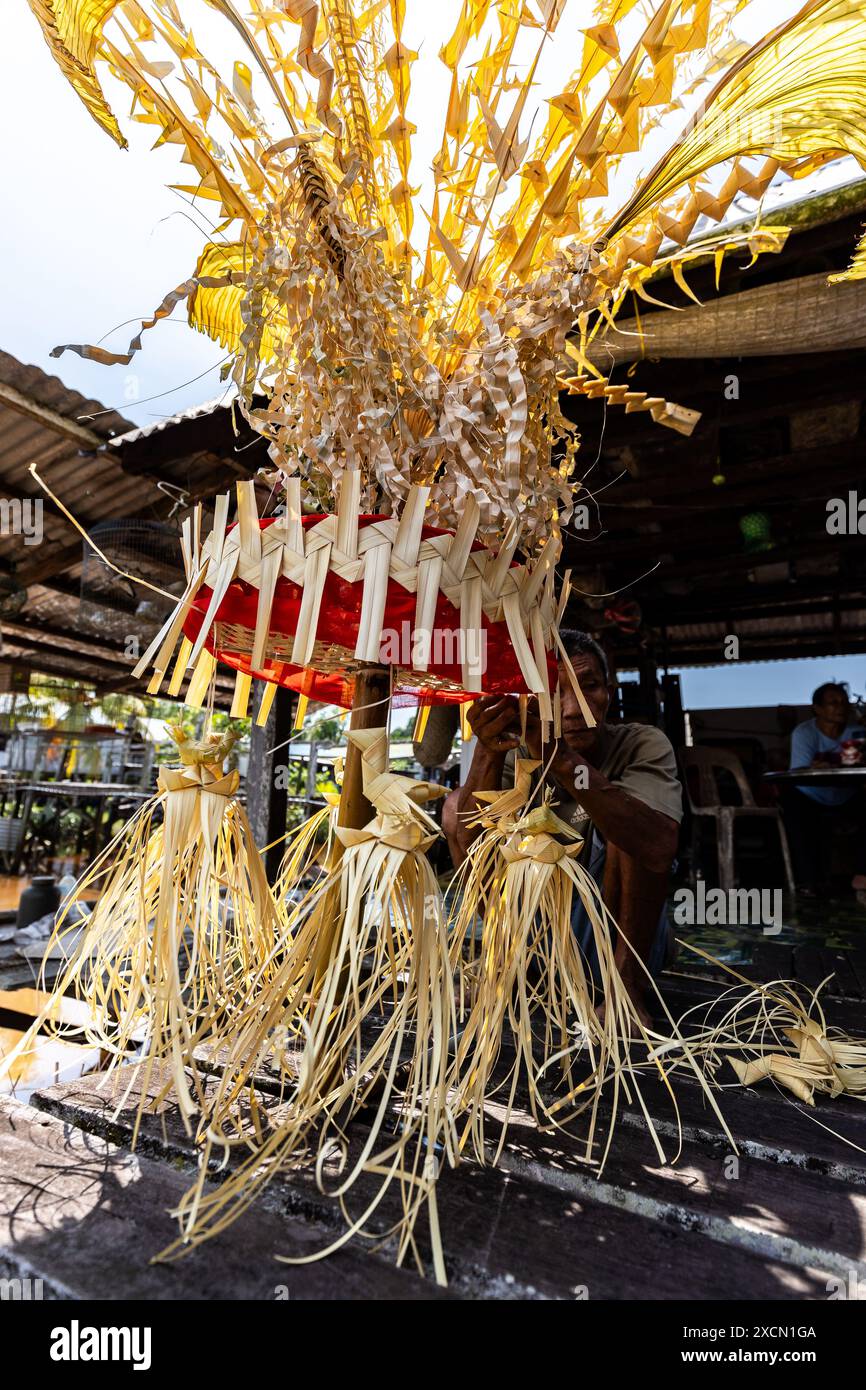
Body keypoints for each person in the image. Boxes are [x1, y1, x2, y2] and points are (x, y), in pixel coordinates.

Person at [442, 631, 683, 1025]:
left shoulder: (642, 743)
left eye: (590, 687)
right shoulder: (517, 753)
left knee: (628, 820)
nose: (575, 709)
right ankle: (503, 968)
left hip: (620, 941)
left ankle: (625, 990)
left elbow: (656, 845)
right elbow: (467, 834)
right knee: (456, 808)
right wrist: (487, 748)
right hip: (539, 941)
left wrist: (566, 763)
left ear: (609, 690)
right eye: (554, 693)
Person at [784, 682, 866, 896]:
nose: (840, 707)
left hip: (846, 795)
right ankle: (808, 881)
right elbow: (798, 772)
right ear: (817, 708)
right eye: (833, 703)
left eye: (843, 703)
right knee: (794, 805)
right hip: (811, 795)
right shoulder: (804, 733)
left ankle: (862, 875)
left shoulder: (857, 732)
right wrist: (816, 766)